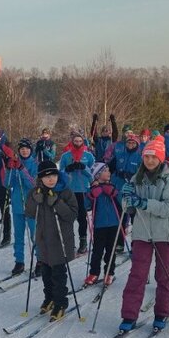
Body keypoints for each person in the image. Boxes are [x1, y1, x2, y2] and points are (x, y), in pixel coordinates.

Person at [117, 137, 169, 333]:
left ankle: (162, 313)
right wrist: (125, 197)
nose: (150, 161)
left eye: (154, 157)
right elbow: (128, 209)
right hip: (142, 232)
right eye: (147, 157)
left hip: (165, 234)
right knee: (137, 274)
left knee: (163, 276)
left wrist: (144, 203)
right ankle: (129, 315)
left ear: (160, 158)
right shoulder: (136, 178)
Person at [25, 160, 79, 321]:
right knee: (46, 273)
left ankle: (60, 303)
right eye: (47, 177)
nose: (51, 179)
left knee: (58, 275)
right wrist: (36, 199)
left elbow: (72, 215)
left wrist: (57, 202)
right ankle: (49, 298)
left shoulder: (65, 192)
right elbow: (29, 212)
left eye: (53, 175)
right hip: (43, 241)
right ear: (40, 178)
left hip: (60, 241)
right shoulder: (35, 192)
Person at [58, 130, 96, 254]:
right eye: (75, 141)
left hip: (83, 189)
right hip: (69, 189)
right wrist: (68, 169)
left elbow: (93, 173)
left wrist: (83, 168)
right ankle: (69, 242)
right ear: (72, 142)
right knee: (68, 217)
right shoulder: (66, 156)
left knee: (81, 217)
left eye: (80, 141)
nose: (78, 143)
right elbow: (61, 173)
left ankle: (83, 241)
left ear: (83, 142)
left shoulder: (88, 156)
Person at [84, 163, 122, 286]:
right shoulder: (93, 188)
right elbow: (86, 204)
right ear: (98, 175)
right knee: (97, 250)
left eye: (108, 170)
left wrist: (113, 191)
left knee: (111, 250)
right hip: (99, 224)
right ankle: (94, 272)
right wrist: (91, 194)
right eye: (106, 171)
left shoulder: (112, 186)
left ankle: (109, 273)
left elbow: (121, 199)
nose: (109, 172)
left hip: (113, 223)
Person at [7, 138, 40, 275]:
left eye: (26, 148)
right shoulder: (15, 163)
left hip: (31, 204)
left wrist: (22, 170)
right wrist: (10, 169)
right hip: (17, 205)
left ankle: (40, 261)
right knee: (18, 235)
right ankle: (19, 261)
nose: (24, 151)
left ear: (30, 150)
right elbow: (7, 184)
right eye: (21, 149)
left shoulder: (35, 164)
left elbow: (33, 184)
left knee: (35, 235)